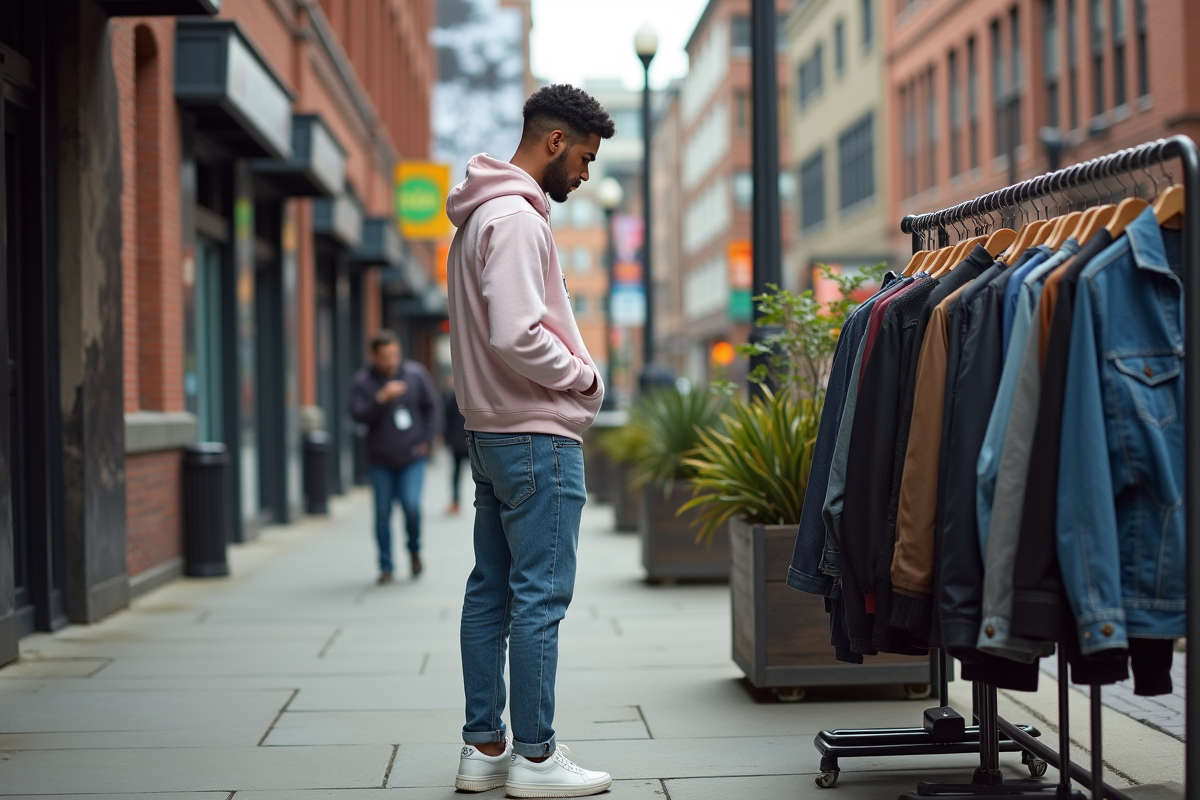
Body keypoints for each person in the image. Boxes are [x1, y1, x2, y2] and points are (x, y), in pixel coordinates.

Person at [445, 84, 612, 798]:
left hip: (492, 432)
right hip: (534, 435)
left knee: (491, 592)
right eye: (583, 157)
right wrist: (582, 376)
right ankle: (537, 759)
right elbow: (518, 332)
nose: (584, 174)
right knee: (538, 598)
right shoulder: (515, 218)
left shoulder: (481, 215)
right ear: (553, 142)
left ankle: (485, 749)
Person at [350, 330, 442, 584]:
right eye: (385, 357)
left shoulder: (416, 374)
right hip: (380, 460)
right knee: (382, 513)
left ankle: (414, 549)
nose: (391, 361)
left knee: (412, 506)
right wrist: (380, 399)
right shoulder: (363, 381)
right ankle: (386, 565)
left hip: (412, 456)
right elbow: (357, 415)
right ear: (374, 357)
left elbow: (432, 407)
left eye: (394, 355)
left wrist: (427, 441)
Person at [443, 376, 470, 515]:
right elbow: (448, 417)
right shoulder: (454, 395)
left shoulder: (456, 395)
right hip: (460, 440)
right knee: (457, 473)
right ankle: (455, 502)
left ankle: (455, 502)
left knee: (458, 473)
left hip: (463, 440)